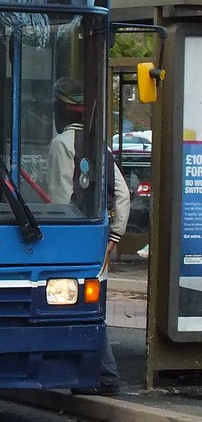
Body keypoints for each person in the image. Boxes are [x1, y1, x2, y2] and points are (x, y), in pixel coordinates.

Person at [46, 76, 130, 396]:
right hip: (99, 236)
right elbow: (122, 195)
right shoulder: (101, 145)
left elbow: (57, 200)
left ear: (62, 109)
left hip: (70, 239)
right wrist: (115, 236)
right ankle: (100, 374)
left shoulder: (60, 145)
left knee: (71, 308)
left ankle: (102, 374)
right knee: (94, 307)